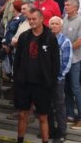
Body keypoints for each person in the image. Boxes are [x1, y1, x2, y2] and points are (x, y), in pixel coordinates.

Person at [13, 8, 59, 143]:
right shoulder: (24, 36)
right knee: (22, 114)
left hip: (42, 85)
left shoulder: (50, 37)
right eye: (30, 19)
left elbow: (56, 63)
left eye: (34, 19)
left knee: (43, 116)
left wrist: (51, 82)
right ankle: (19, 140)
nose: (32, 21)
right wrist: (17, 78)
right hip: (24, 83)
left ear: (41, 19)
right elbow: (18, 59)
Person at [62, 0, 81, 129]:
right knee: (66, 89)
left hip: (75, 60)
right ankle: (70, 115)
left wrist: (65, 48)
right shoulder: (64, 20)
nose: (65, 7)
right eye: (65, 5)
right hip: (65, 60)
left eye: (68, 5)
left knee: (75, 88)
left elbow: (80, 41)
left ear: (75, 7)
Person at [48, 16, 73, 142]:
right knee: (48, 106)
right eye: (52, 23)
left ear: (61, 26)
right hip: (46, 79)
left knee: (59, 106)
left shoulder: (65, 41)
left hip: (58, 79)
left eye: (56, 24)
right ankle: (50, 131)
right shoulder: (45, 39)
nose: (54, 26)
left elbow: (67, 62)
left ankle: (61, 132)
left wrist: (59, 76)